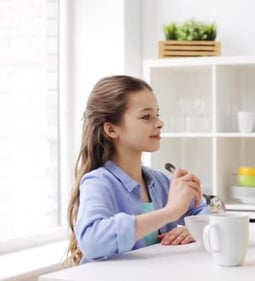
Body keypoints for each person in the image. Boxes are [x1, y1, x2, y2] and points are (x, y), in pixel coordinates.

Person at [66, 75, 209, 265]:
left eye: (157, 114)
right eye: (146, 116)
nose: (159, 123)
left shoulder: (159, 181)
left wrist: (196, 227)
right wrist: (171, 212)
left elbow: (208, 210)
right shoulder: (99, 182)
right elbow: (92, 241)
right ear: (111, 130)